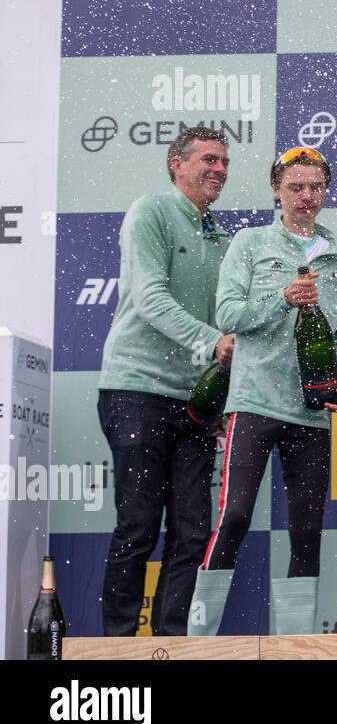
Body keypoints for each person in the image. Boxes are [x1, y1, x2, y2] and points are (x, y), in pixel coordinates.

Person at [188, 147, 337, 636]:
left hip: (312, 409)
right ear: (276, 191)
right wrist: (281, 298)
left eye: (315, 188)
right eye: (296, 188)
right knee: (236, 515)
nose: (306, 197)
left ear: (325, 191)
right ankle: (198, 640)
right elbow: (227, 316)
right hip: (255, 400)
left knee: (306, 531)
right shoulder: (250, 242)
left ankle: (296, 645)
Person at [96, 126, 235, 636]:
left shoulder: (221, 236)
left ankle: (170, 645)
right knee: (137, 528)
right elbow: (150, 299)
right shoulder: (150, 212)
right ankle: (116, 647)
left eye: (224, 161)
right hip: (136, 390)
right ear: (176, 165)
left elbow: (229, 318)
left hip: (195, 404)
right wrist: (214, 342)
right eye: (207, 160)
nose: (219, 169)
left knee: (193, 533)